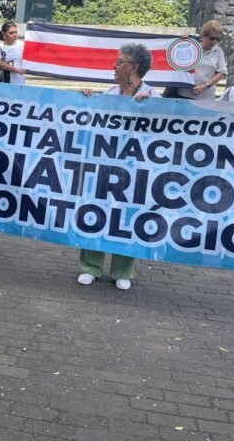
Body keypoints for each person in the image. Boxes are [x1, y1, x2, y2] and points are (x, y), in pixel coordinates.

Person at [78, 43, 162, 290]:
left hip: (134, 169)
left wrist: (149, 109)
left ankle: (122, 271)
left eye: (119, 62)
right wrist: (86, 101)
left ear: (134, 67)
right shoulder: (111, 92)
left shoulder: (153, 96)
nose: (114, 67)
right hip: (106, 165)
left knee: (127, 216)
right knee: (96, 211)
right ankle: (90, 267)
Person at [175, 20, 227, 100]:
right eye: (212, 38)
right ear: (203, 36)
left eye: (218, 39)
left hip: (206, 97)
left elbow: (221, 72)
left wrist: (205, 86)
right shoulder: (190, 46)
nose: (215, 42)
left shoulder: (218, 51)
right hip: (184, 94)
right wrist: (181, 42)